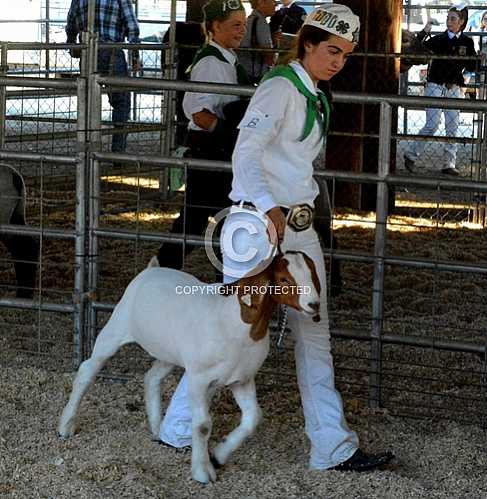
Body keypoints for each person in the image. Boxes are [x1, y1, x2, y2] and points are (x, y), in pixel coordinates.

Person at [159, 4, 394, 472]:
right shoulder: (279, 88)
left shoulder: (309, 90)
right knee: (232, 329)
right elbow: (246, 153)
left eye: (344, 55)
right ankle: (179, 426)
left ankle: (331, 445)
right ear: (307, 42)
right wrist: (267, 206)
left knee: (314, 328)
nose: (337, 61)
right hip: (258, 225)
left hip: (296, 224)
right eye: (332, 50)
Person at [156, 0, 249, 270]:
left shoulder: (225, 60)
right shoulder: (211, 63)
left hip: (216, 150)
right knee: (218, 219)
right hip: (212, 151)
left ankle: (161, 270)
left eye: (243, 24)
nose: (241, 30)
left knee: (197, 221)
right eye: (235, 25)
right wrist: (231, 135)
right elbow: (199, 113)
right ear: (215, 26)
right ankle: (163, 271)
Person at [403, 5, 477, 176]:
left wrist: (474, 64)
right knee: (432, 124)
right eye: (448, 18)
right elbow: (418, 48)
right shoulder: (437, 40)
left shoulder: (467, 42)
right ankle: (411, 154)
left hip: (454, 88)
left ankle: (449, 163)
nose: (449, 22)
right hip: (435, 84)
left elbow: (472, 65)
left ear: (462, 22)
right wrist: (424, 31)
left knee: (453, 126)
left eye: (453, 19)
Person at [66, 0, 141, 155]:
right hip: (112, 50)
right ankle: (117, 151)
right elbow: (132, 27)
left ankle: (87, 149)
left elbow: (71, 24)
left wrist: (73, 45)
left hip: (87, 53)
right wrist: (134, 56)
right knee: (121, 103)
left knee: (87, 102)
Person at [239, 0, 276, 84]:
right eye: (272, 1)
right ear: (261, 2)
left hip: (245, 71)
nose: (275, 4)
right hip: (256, 75)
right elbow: (269, 56)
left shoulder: (249, 20)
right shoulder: (261, 22)